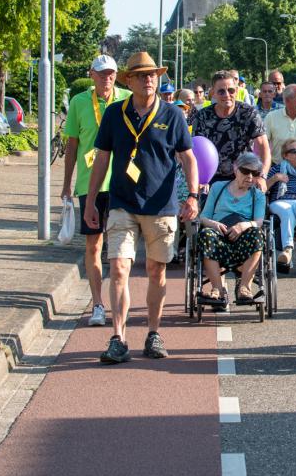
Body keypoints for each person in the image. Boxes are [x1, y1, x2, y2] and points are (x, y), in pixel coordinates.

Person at [84, 52, 199, 363]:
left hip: (161, 206)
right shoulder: (113, 114)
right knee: (119, 268)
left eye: (153, 74)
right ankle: (118, 338)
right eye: (142, 75)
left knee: (155, 270)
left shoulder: (173, 115)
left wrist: (192, 196)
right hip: (122, 203)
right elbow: (102, 159)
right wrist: (92, 200)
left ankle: (153, 332)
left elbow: (188, 157)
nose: (149, 79)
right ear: (129, 80)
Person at [61, 55, 132, 328]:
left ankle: (118, 302)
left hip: (122, 183)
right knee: (94, 245)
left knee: (120, 250)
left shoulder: (126, 98)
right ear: (91, 74)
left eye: (111, 73)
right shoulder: (80, 102)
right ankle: (97, 304)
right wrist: (67, 183)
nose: (107, 78)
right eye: (102, 73)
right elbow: (71, 146)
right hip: (90, 184)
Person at [197, 152, 267, 307]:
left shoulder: (258, 195)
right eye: (246, 171)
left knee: (257, 234)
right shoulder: (218, 187)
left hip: (243, 237)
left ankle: (244, 288)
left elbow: (259, 222)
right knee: (205, 234)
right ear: (236, 169)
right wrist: (214, 224)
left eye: (255, 173)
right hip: (218, 233)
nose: (250, 177)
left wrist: (244, 226)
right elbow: (203, 217)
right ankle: (217, 289)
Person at [191, 70, 270, 186]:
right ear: (213, 92)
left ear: (237, 91)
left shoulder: (248, 112)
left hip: (243, 176)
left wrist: (262, 176)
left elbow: (263, 145)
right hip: (211, 179)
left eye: (231, 90)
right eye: (221, 91)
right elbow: (195, 150)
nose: (227, 95)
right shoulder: (202, 116)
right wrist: (200, 179)